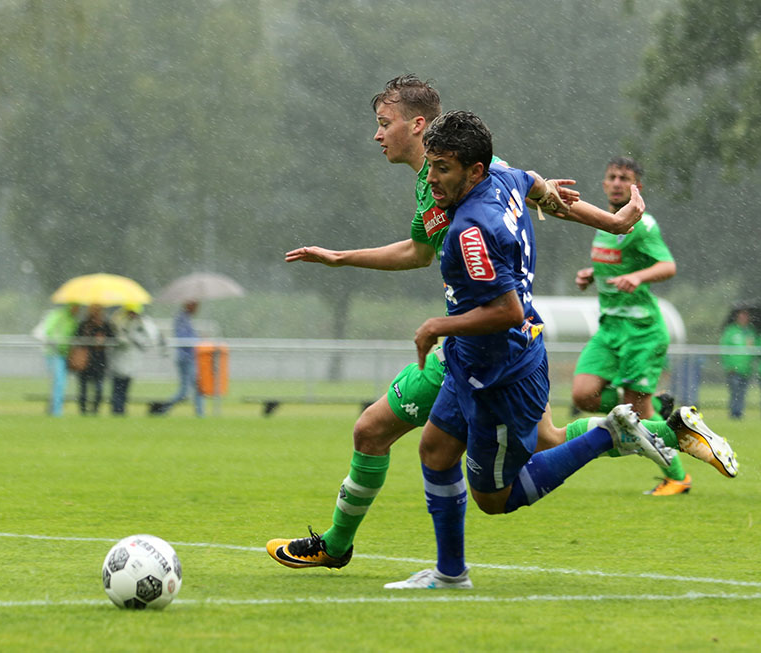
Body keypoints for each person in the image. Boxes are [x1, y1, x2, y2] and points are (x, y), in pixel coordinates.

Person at [267, 74, 660, 571]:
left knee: (384, 437)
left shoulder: (473, 175)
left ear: (417, 124)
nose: (377, 134)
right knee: (531, 441)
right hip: (488, 339)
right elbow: (419, 251)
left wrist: (614, 222)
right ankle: (660, 429)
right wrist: (341, 258)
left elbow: (532, 192)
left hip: (482, 344)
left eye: (384, 124)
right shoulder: (431, 183)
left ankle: (363, 551)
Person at [384, 111, 687, 589]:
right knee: (436, 450)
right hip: (471, 358)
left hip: (501, 371)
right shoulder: (505, 176)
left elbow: (506, 311)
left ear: (474, 171)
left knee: (495, 498)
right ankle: (449, 573)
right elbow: (540, 186)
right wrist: (611, 220)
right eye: (432, 165)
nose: (433, 178)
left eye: (443, 168)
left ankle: (608, 436)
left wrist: (434, 326)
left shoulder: (471, 230)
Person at [570, 157, 695, 496]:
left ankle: (678, 477)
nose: (615, 183)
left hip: (642, 331)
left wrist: (637, 277)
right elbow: (614, 263)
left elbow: (667, 265)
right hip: (610, 329)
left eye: (624, 178)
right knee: (583, 394)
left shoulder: (643, 224)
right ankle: (654, 410)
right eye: (611, 177)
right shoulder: (604, 223)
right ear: (602, 183)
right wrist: (592, 274)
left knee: (635, 411)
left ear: (636, 186)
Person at [152, 300, 204, 416]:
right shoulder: (182, 319)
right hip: (186, 358)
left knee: (191, 389)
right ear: (189, 305)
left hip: (188, 358)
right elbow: (183, 338)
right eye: (196, 306)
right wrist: (197, 340)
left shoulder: (185, 319)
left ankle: (163, 409)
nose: (197, 309)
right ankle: (162, 409)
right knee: (190, 389)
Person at [109, 304, 161, 416]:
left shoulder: (143, 324)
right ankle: (116, 410)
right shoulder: (120, 320)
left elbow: (149, 339)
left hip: (131, 362)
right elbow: (117, 336)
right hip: (119, 361)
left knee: (124, 388)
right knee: (117, 388)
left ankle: (120, 410)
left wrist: (134, 339)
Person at [39, 303, 81, 416]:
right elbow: (49, 330)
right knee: (59, 381)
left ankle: (55, 407)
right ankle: (56, 410)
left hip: (64, 353)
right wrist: (56, 342)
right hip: (54, 352)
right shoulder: (58, 315)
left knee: (60, 382)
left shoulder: (73, 320)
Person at [75, 304, 115, 415]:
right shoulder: (84, 324)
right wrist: (89, 339)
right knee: (83, 389)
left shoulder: (105, 325)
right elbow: (77, 338)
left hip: (99, 362)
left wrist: (103, 340)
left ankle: (95, 410)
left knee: (99, 388)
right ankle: (83, 411)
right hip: (86, 362)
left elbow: (113, 338)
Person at [721, 308, 755, 419]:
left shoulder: (750, 332)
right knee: (735, 392)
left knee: (742, 393)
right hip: (734, 369)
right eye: (741, 316)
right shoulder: (731, 331)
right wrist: (728, 366)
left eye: (745, 316)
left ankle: (739, 413)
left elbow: (755, 350)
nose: (743, 319)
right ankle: (734, 413)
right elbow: (724, 349)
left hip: (746, 369)